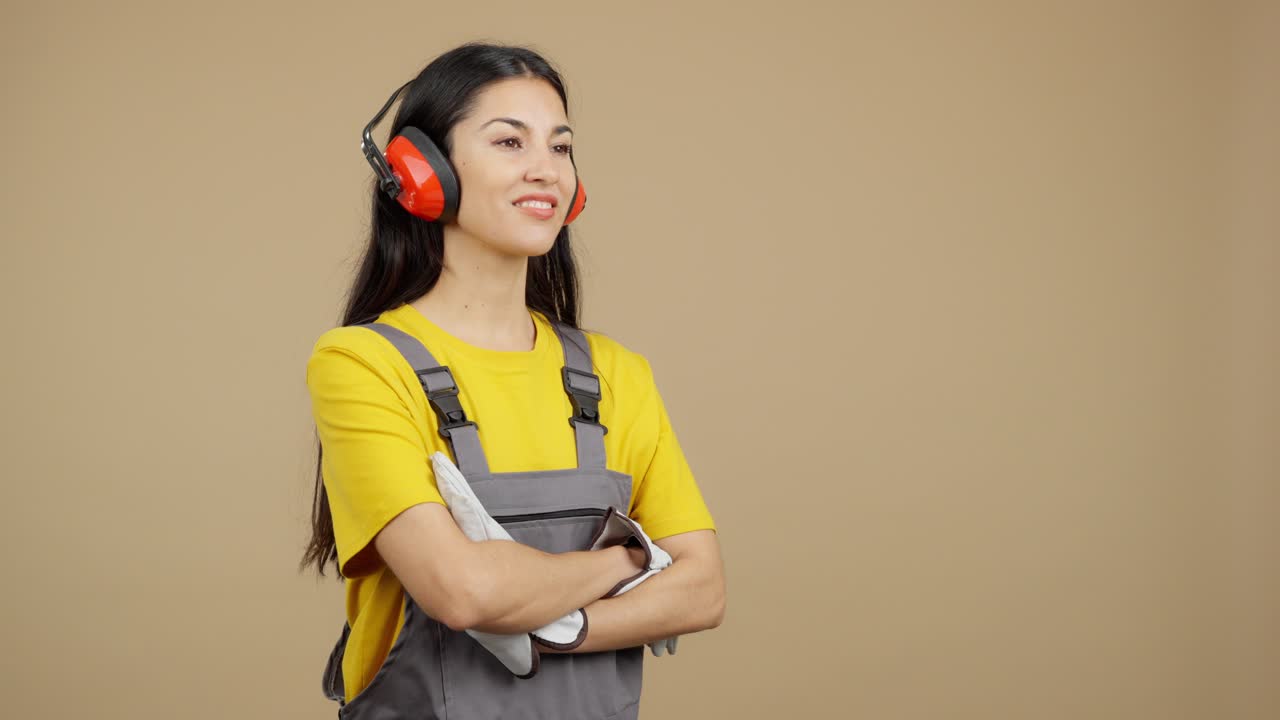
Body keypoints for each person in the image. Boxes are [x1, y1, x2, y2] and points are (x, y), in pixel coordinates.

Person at [299, 42, 726, 719]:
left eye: (560, 148)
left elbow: (703, 591)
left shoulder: (615, 373)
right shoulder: (362, 364)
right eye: (509, 142)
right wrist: (627, 562)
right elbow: (463, 592)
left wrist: (561, 626)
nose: (545, 171)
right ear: (423, 172)